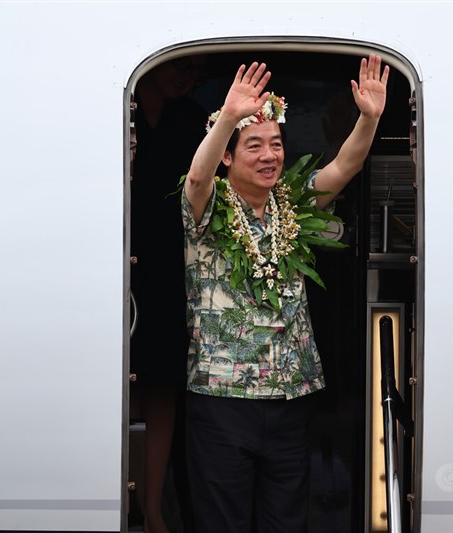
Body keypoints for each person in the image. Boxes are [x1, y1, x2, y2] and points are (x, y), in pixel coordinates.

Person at [180, 54, 389, 532]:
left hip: (291, 400)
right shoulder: (207, 207)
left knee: (287, 522)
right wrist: (230, 117)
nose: (269, 155)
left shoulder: (292, 204)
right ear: (228, 155)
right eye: (254, 145)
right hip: (222, 401)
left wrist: (369, 118)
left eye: (276, 144)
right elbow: (196, 177)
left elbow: (344, 168)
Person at [130, 56, 207, 533]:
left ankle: (155, 510)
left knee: (163, 388)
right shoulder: (118, 110)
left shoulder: (196, 119)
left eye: (195, 70)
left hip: (174, 268)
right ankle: (125, 500)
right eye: (181, 65)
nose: (186, 75)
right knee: (124, 388)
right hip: (121, 261)